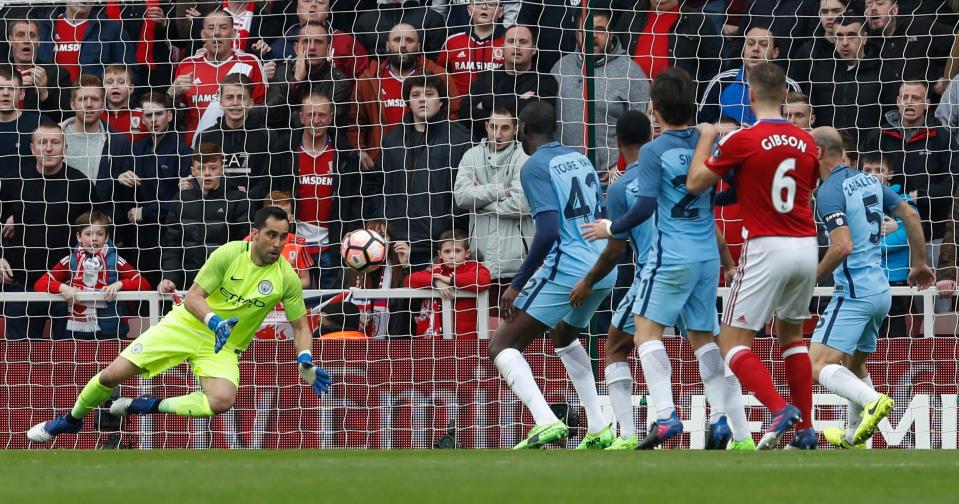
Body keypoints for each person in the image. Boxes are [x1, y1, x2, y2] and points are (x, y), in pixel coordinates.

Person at [27, 206, 332, 443]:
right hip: (187, 325)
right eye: (271, 235)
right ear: (254, 234)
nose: (278, 243)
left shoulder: (286, 277)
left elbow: (301, 326)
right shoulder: (228, 254)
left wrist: (305, 361)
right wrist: (214, 320)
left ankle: (144, 405)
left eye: (284, 237)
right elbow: (194, 298)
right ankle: (70, 420)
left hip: (223, 345)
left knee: (221, 400)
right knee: (111, 375)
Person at [580, 69, 750, 451]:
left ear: (655, 109)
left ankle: (666, 416)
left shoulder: (655, 151)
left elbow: (644, 207)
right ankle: (722, 419)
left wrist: (611, 227)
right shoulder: (710, 144)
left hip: (670, 255)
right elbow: (730, 192)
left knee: (645, 334)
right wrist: (708, 201)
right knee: (705, 339)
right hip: (707, 254)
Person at [686, 62, 820, 450]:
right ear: (783, 96)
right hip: (806, 246)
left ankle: (779, 408)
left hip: (766, 244)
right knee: (792, 335)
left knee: (731, 341)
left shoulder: (741, 140)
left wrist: (705, 137)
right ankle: (806, 431)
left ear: (750, 94)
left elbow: (696, 184)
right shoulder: (807, 142)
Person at [487, 101, 616, 450]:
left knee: (502, 345)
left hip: (570, 266)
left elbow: (546, 232)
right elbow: (601, 215)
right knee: (563, 335)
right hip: (603, 266)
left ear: (523, 131)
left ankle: (545, 421)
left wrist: (516, 285)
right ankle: (600, 426)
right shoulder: (580, 158)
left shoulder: (533, 167)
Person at [807, 126, 935, 450]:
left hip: (853, 293)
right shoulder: (869, 181)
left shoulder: (829, 191)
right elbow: (908, 213)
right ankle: (854, 438)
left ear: (819, 153)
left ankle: (873, 401)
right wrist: (919, 263)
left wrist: (810, 282)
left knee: (816, 365)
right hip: (881, 292)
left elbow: (841, 247)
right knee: (854, 363)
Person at [570, 109, 654, 450]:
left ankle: (631, 433)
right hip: (696, 266)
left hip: (652, 272)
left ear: (618, 141)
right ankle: (732, 426)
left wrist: (588, 281)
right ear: (651, 137)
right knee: (707, 343)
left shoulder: (620, 188)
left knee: (617, 345)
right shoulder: (673, 174)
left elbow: (614, 250)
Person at [363, 73, 470, 269]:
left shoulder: (459, 138)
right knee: (392, 300)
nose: (422, 99)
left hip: (438, 246)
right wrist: (383, 220)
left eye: (429, 94)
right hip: (394, 244)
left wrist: (446, 227)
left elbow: (465, 189)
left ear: (441, 101)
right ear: (408, 101)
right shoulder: (391, 140)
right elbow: (375, 184)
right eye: (415, 94)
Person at [0, 122, 94, 339]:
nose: (49, 148)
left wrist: (82, 271)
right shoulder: (14, 181)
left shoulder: (81, 184)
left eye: (55, 142)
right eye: (42, 142)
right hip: (21, 284)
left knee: (68, 359)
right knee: (19, 360)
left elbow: (95, 231)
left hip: (68, 287)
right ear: (32, 148)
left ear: (65, 148)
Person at [552, 9, 650, 178]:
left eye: (599, 29)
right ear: (577, 35)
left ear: (611, 34)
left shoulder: (630, 72)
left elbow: (643, 131)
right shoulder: (560, 68)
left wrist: (621, 168)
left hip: (610, 181)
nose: (592, 35)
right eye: (586, 30)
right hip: (565, 178)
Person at [863, 81, 959, 248]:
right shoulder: (878, 136)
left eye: (915, 98)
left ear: (927, 104)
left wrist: (919, 197)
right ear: (898, 101)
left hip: (930, 233)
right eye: (905, 97)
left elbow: (952, 184)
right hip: (883, 232)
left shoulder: (942, 137)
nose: (909, 102)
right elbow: (859, 177)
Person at [349, 23, 458, 168]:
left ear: (418, 47)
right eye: (397, 40)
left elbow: (453, 116)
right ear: (387, 46)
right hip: (382, 163)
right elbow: (355, 122)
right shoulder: (369, 79)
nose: (403, 45)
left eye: (409, 40)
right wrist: (359, 150)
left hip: (428, 161)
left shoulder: (439, 76)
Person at [453, 104, 532, 298]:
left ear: (516, 129)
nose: (497, 134)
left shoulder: (525, 157)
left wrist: (479, 199)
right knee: (483, 326)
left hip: (516, 264)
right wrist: (498, 190)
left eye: (504, 128)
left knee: (512, 326)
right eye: (493, 127)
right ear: (486, 126)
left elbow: (520, 205)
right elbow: (461, 197)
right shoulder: (471, 156)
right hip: (479, 260)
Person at [34, 211, 152, 340]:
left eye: (100, 234)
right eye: (88, 234)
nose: (94, 238)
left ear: (107, 238)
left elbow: (144, 283)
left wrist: (120, 284)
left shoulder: (115, 260)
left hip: (114, 332)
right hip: (79, 333)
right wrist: (63, 288)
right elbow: (40, 283)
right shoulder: (71, 261)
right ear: (79, 237)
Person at [287, 90, 363, 289]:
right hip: (294, 245)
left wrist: (349, 232)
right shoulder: (284, 151)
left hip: (330, 248)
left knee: (328, 310)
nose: (316, 120)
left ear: (330, 117)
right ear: (301, 117)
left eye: (321, 115)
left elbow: (354, 199)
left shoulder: (345, 154)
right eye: (311, 114)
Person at [157, 144, 252, 294]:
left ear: (221, 169)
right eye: (201, 168)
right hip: (188, 285)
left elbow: (244, 246)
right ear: (193, 171)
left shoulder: (237, 200)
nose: (207, 173)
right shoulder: (181, 199)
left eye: (212, 168)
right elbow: (172, 245)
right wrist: (170, 277)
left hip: (226, 286)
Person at [123, 91, 193, 286]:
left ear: (169, 115)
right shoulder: (137, 150)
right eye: (148, 115)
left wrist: (146, 211)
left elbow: (181, 202)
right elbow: (128, 198)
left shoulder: (183, 152)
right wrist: (120, 179)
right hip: (139, 238)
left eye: (158, 114)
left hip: (171, 237)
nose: (154, 120)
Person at [170, 8, 267, 143]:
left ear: (233, 33)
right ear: (203, 35)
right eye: (211, 28)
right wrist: (171, 95)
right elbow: (176, 117)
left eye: (223, 27)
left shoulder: (250, 63)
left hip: (239, 148)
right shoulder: (186, 66)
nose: (216, 33)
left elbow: (261, 111)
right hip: (197, 153)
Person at [194, 73, 292, 202]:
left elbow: (270, 182)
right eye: (229, 97)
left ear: (250, 103)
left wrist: (243, 198)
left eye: (241, 98)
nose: (235, 103)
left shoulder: (268, 136)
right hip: (214, 209)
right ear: (221, 102)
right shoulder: (206, 137)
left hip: (253, 210)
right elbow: (200, 178)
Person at [459, 24, 557, 141]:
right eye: (511, 41)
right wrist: (519, 103)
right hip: (485, 150)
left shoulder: (545, 81)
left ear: (534, 50)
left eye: (523, 42)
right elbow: (465, 113)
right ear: (502, 47)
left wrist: (488, 102)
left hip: (527, 152)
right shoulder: (485, 77)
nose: (517, 46)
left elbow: (536, 117)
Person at [861, 152, 922, 337]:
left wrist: (870, 243)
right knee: (866, 331)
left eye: (879, 170)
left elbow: (908, 235)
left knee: (894, 330)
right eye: (867, 170)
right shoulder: (853, 201)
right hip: (864, 277)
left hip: (893, 278)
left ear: (890, 173)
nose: (873, 174)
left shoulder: (904, 201)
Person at [613, 0, 721, 100]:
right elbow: (613, 56)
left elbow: (713, 68)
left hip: (678, 107)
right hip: (631, 101)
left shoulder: (699, 22)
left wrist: (695, 102)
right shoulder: (630, 16)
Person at [698, 25, 802, 125]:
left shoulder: (788, 85)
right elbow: (703, 124)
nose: (755, 49)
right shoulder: (721, 81)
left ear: (775, 52)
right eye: (750, 43)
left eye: (763, 44)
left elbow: (800, 126)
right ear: (744, 49)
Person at [809, 14, 883, 148]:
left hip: (869, 154)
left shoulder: (883, 72)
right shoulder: (819, 70)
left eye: (851, 35)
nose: (844, 43)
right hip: (826, 152)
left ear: (864, 38)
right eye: (839, 36)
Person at [265, 21, 353, 130]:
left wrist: (291, 117)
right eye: (306, 41)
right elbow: (270, 117)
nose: (312, 47)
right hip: (284, 143)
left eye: (318, 42)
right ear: (296, 48)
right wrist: (295, 82)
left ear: (329, 49)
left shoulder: (339, 82)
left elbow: (327, 126)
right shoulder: (282, 72)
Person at [405, 229, 492, 339]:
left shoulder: (474, 267)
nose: (452, 256)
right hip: (437, 337)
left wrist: (450, 280)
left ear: (467, 253)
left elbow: (484, 280)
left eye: (457, 251)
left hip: (466, 336)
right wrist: (436, 282)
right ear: (440, 254)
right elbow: (410, 279)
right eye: (447, 251)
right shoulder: (436, 269)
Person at [864, 0, 954, 102]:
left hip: (928, 108)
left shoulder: (920, 28)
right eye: (868, 4)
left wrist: (947, 76)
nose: (873, 8)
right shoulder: (863, 42)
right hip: (884, 110)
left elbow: (956, 42)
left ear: (894, 10)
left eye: (880, 3)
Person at [37, 1, 137, 83]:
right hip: (51, 101)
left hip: (92, 102)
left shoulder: (111, 29)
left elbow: (130, 72)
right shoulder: (43, 27)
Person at [345, 219, 413, 338]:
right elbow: (337, 306)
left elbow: (414, 307)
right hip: (356, 342)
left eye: (382, 235)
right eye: (372, 235)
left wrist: (406, 266)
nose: (376, 241)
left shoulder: (399, 269)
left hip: (394, 343)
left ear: (391, 241)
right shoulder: (351, 271)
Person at [268, 0, 369, 79]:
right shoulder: (279, 46)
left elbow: (362, 84)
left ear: (327, 11)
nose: (313, 5)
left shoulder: (347, 43)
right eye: (307, 1)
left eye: (320, 2)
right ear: (297, 10)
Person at [4, 17, 72, 120]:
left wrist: (44, 94)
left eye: (32, 35)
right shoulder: (1, 70)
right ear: (10, 41)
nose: (27, 40)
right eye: (20, 35)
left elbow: (68, 118)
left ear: (39, 41)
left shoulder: (58, 75)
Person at [437, 0, 505, 100]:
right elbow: (439, 77)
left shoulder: (509, 43)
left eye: (491, 4)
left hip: (498, 110)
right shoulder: (452, 42)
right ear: (469, 9)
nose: (484, 7)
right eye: (478, 3)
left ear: (501, 11)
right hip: (458, 111)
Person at [789, 0, 850, 90]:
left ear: (849, 12)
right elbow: (793, 93)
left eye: (836, 11)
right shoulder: (807, 52)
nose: (829, 17)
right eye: (824, 12)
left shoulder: (863, 49)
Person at [0, 64, 42, 163]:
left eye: (12, 88)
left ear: (22, 94)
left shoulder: (39, 124)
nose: (5, 93)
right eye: (0, 88)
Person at [100, 64, 144, 141]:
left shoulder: (142, 116)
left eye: (121, 82)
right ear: (103, 89)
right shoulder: (98, 116)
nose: (115, 86)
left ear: (131, 88)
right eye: (109, 82)